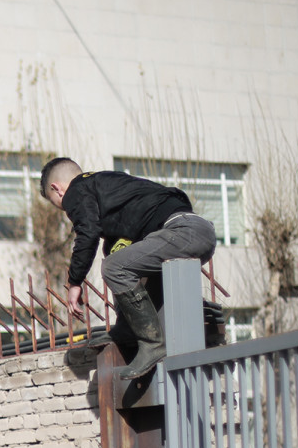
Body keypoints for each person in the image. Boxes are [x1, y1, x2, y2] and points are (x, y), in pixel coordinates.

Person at [39, 156, 217, 379]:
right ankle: (128, 328)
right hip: (192, 229)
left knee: (114, 267)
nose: (65, 211)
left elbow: (87, 232)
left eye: (58, 205)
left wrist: (74, 282)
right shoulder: (108, 186)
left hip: (182, 231)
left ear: (58, 190)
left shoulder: (77, 189)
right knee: (117, 257)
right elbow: (114, 245)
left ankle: (152, 343)